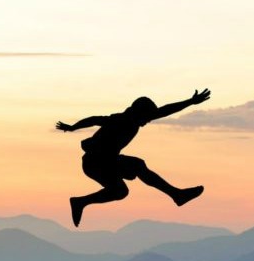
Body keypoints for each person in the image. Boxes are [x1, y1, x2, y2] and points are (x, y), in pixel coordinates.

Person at [56, 89, 211, 227]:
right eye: (147, 118)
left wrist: (190, 102)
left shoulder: (134, 120)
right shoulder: (121, 120)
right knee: (138, 165)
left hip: (100, 163)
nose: (148, 121)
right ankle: (177, 195)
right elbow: (94, 119)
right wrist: (72, 127)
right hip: (95, 163)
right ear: (139, 113)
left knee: (120, 192)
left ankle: (80, 202)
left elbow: (164, 111)